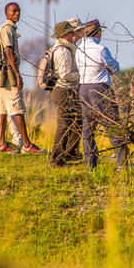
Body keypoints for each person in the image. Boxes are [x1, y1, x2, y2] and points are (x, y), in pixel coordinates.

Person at [0, 2, 44, 154]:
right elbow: (8, 51)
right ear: (7, 14)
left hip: (1, 76)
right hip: (9, 76)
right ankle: (27, 145)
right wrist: (17, 74)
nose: (17, 14)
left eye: (19, 11)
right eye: (14, 11)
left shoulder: (0, 30)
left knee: (2, 109)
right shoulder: (8, 29)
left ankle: (1, 144)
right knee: (18, 108)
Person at [75, 19, 127, 171]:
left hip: (83, 88)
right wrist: (109, 68)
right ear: (97, 32)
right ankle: (122, 163)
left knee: (88, 129)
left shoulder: (79, 49)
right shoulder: (101, 49)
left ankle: (91, 166)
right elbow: (115, 68)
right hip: (100, 88)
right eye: (100, 31)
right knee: (113, 125)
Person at [49, 19, 83, 166]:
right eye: (70, 32)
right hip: (64, 90)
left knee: (76, 122)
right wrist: (83, 74)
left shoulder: (65, 48)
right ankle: (56, 159)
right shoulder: (62, 51)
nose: (72, 35)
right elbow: (65, 75)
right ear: (65, 34)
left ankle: (68, 153)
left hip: (66, 90)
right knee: (64, 125)